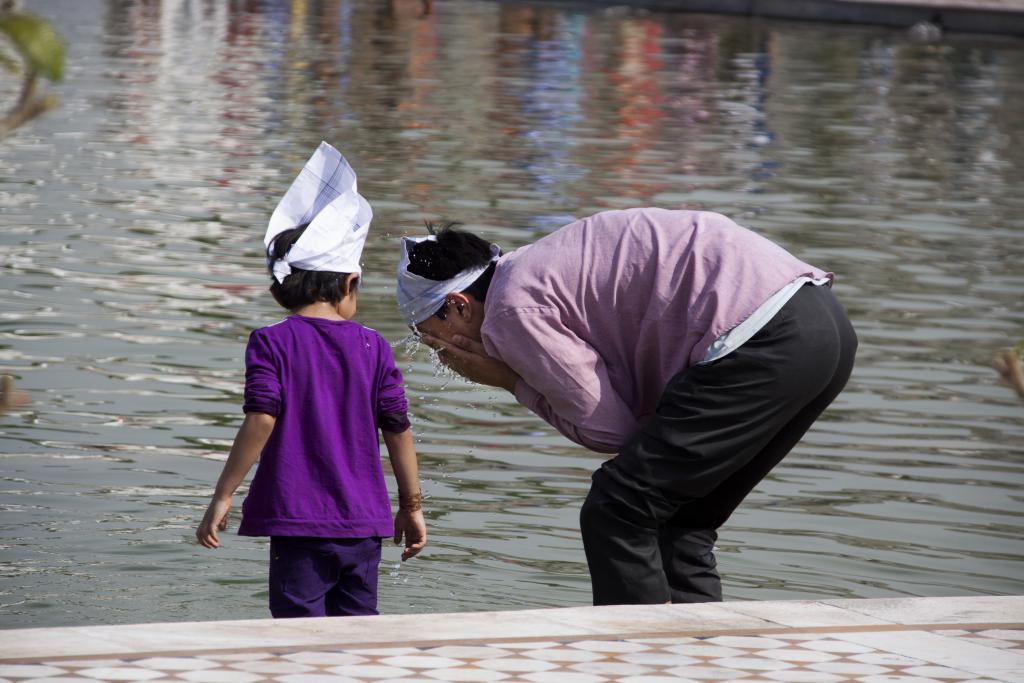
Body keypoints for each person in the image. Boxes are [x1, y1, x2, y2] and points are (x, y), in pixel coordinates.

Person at [395, 208, 856, 605]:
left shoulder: (508, 311)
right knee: (679, 522)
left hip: (759, 339)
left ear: (457, 305)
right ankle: (697, 659)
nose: (441, 352)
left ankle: (636, 663)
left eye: (432, 336)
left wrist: (508, 379)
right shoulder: (533, 269)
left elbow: (610, 433)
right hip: (820, 322)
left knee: (616, 509)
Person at [197, 142, 426, 618]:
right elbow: (398, 429)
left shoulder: (271, 341)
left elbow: (261, 419)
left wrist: (223, 496)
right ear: (347, 284)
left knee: (299, 643)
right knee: (358, 640)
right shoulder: (373, 346)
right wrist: (411, 505)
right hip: (364, 526)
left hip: (297, 524)